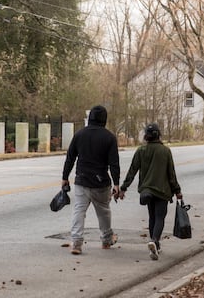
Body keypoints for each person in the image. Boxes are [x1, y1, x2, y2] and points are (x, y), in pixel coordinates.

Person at [118, 123, 182, 260]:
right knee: (160, 217)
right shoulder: (165, 151)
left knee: (152, 216)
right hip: (162, 190)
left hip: (147, 190)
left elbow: (132, 171)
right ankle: (155, 241)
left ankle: (155, 244)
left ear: (146, 136)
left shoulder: (141, 150)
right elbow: (171, 174)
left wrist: (123, 188)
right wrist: (177, 191)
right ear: (159, 135)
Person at [62, 105, 120, 255]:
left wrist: (65, 177)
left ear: (90, 118)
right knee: (104, 212)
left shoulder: (80, 134)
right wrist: (117, 184)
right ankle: (106, 240)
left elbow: (70, 158)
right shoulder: (109, 137)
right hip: (101, 183)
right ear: (104, 120)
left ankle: (76, 242)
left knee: (79, 210)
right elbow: (114, 163)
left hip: (82, 180)